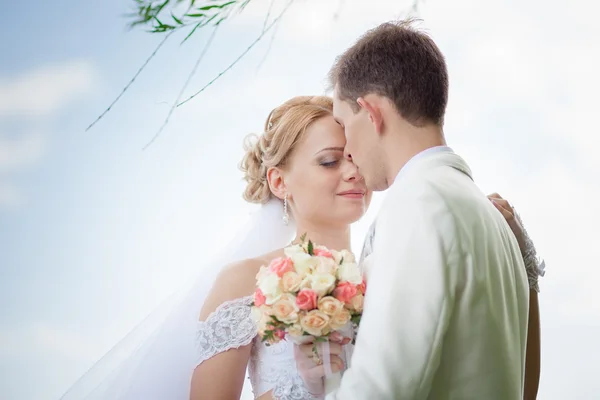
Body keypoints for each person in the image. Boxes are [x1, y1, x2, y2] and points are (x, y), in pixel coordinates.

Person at [59, 96, 540, 400]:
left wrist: (518, 260)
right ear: (279, 181)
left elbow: (514, 384)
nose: (352, 172)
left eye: (353, 158)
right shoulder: (244, 283)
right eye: (330, 161)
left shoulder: (394, 268)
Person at [294, 20, 545, 400]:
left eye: (345, 125)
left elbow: (381, 388)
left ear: (371, 113)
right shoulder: (490, 216)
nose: (347, 150)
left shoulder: (418, 203)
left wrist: (329, 383)